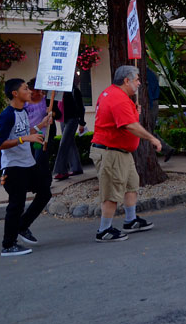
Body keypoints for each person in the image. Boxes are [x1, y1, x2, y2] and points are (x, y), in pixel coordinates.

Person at [90, 65, 162, 242]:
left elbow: (127, 120)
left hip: (120, 152)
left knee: (131, 185)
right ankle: (104, 230)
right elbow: (129, 125)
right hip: (111, 152)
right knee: (112, 191)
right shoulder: (118, 98)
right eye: (137, 79)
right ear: (126, 80)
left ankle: (130, 220)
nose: (139, 83)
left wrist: (134, 112)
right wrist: (152, 139)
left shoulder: (114, 94)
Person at [0, 79, 54, 256]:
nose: (30, 91)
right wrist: (24, 140)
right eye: (25, 88)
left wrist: (41, 126)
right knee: (16, 205)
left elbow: (23, 132)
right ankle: (8, 245)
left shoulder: (21, 111)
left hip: (28, 164)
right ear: (15, 93)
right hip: (13, 167)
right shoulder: (7, 115)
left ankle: (22, 226)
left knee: (45, 192)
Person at [51, 83, 86, 180]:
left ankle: (61, 171)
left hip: (72, 119)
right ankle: (76, 168)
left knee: (64, 143)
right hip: (62, 119)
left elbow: (80, 107)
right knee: (70, 143)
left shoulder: (74, 90)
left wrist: (82, 123)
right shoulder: (57, 91)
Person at [146, 67, 175, 162]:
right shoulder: (151, 73)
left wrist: (148, 107)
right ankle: (166, 149)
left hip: (151, 103)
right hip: (153, 102)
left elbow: (149, 91)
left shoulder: (146, 73)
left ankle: (165, 148)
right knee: (148, 129)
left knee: (147, 130)